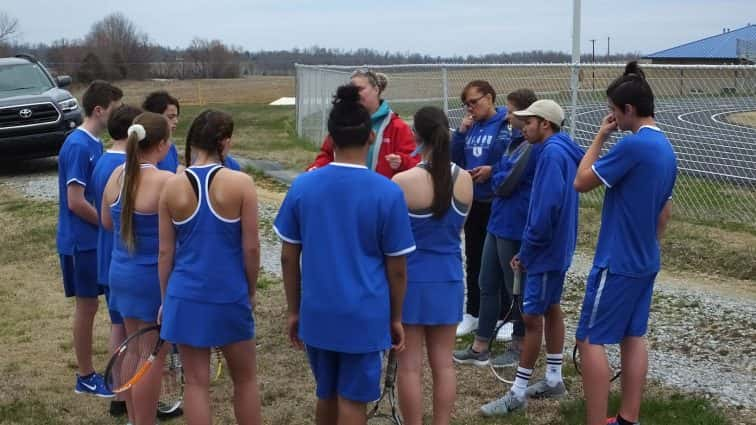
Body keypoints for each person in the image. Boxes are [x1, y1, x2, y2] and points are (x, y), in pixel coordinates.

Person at [276, 85, 415, 425]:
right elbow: (397, 268)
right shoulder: (388, 192)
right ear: (370, 137)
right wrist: (395, 318)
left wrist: (294, 310)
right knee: (352, 399)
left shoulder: (303, 186)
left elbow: (287, 257)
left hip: (318, 311)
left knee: (326, 393)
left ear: (330, 137)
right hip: (364, 315)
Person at [573, 61, 677, 425]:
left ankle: (596, 420)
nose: (611, 117)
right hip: (645, 258)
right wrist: (650, 245)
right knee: (634, 336)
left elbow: (581, 181)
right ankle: (627, 418)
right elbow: (664, 212)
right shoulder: (666, 148)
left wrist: (600, 137)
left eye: (612, 112)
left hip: (616, 261)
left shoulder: (633, 147)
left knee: (589, 339)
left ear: (627, 111)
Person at [480, 100, 584, 416]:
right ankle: (553, 378)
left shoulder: (551, 155)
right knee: (551, 307)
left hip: (544, 251)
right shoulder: (563, 149)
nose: (523, 127)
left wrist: (526, 251)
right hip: (558, 248)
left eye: (529, 122)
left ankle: (518, 392)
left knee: (531, 317)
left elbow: (545, 210)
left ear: (545, 124)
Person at [159, 109, 262, 425]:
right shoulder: (241, 183)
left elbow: (165, 251)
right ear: (224, 142)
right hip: (228, 291)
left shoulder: (172, 187)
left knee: (196, 381)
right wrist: (251, 289)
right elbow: (252, 247)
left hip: (184, 294)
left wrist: (166, 300)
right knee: (244, 378)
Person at [392, 106, 473, 425]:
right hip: (449, 278)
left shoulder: (402, 181)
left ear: (416, 135)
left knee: (409, 365)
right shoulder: (465, 179)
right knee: (444, 365)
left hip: (410, 280)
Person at [452, 89, 539, 368]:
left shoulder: (528, 146)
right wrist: (497, 173)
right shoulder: (515, 141)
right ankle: (480, 346)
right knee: (486, 281)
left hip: (513, 223)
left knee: (514, 286)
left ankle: (518, 342)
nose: (508, 115)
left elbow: (503, 181)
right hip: (497, 220)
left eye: (512, 112)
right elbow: (501, 172)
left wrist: (496, 174)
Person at [101, 112, 173, 425]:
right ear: (161, 145)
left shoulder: (117, 175)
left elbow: (107, 222)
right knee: (151, 356)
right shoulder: (165, 181)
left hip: (121, 271)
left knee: (132, 349)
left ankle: (134, 417)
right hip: (150, 278)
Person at [56, 80, 122, 398]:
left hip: (94, 240)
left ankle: (110, 370)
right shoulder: (78, 145)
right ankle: (84, 376)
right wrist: (108, 224)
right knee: (87, 306)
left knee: (100, 306)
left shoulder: (96, 144)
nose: (119, 115)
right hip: (80, 241)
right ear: (99, 110)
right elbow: (76, 200)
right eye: (115, 109)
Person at [91, 103, 142, 417]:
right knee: (126, 331)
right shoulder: (124, 167)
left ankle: (118, 391)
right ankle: (124, 392)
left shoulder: (101, 161)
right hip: (122, 255)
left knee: (117, 325)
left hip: (106, 254)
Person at [450, 80, 509, 337]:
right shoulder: (470, 127)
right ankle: (473, 312)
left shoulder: (506, 123)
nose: (470, 108)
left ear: (489, 97)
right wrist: (460, 133)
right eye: (466, 104)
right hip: (474, 202)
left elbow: (514, 160)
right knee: (474, 259)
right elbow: (456, 160)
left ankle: (506, 316)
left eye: (474, 102)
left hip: (498, 201)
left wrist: (492, 171)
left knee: (502, 261)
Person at [307, 70, 419, 178]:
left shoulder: (397, 127)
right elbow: (327, 154)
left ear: (376, 89)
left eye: (360, 89)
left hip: (379, 194)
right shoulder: (343, 121)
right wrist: (316, 168)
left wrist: (402, 161)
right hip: (345, 191)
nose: (356, 94)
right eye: (352, 89)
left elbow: (415, 162)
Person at [142, 90, 244, 172]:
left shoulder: (170, 147)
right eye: (170, 117)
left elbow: (175, 170)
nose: (176, 121)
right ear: (153, 117)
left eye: (177, 117)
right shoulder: (145, 150)